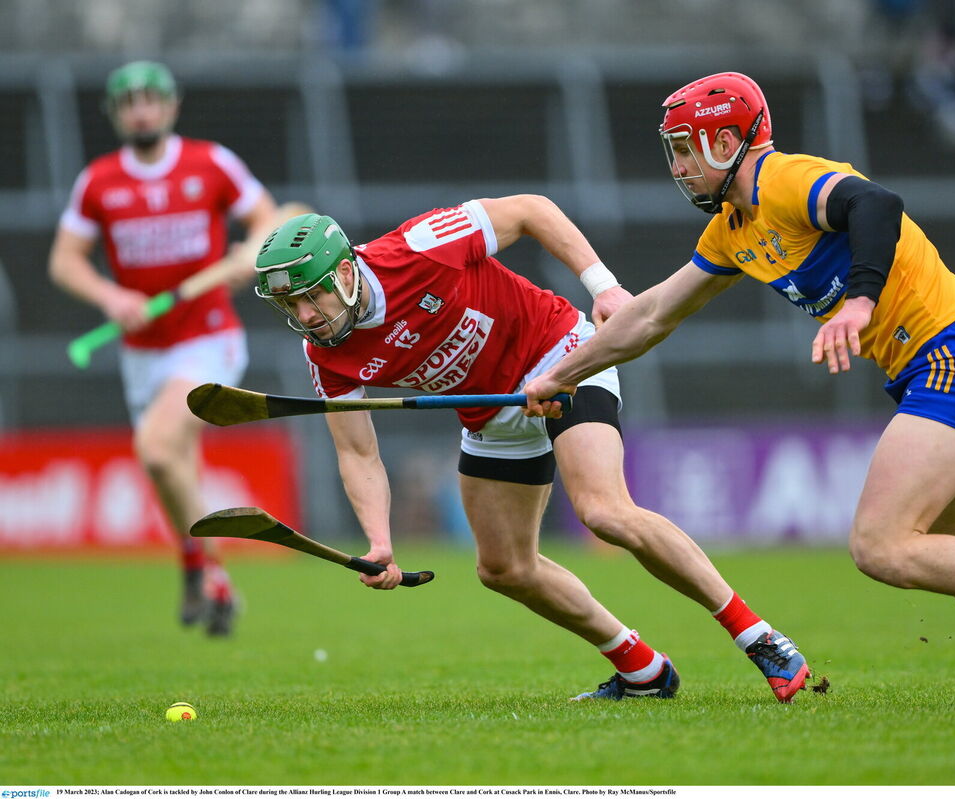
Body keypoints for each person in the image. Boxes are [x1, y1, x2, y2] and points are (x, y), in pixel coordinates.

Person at [523, 72, 955, 704]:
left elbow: (877, 204)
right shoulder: (732, 230)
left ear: (728, 141)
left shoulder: (785, 180)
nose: (679, 165)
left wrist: (860, 302)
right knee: (939, 552)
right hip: (945, 361)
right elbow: (650, 317)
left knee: (880, 546)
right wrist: (559, 375)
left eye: (686, 147)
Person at [252, 200, 812, 703]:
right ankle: (642, 669)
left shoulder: (420, 247)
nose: (305, 316)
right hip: (491, 413)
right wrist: (379, 541)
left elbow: (532, 212)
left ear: (346, 272)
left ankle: (761, 638)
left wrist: (604, 288)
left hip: (559, 356)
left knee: (603, 512)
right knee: (504, 569)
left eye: (311, 297)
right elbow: (358, 453)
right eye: (289, 306)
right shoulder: (325, 355)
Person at [49, 61, 279, 636]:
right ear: (116, 114)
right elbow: (64, 260)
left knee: (154, 449)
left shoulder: (212, 163)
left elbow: (268, 223)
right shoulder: (99, 181)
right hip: (141, 352)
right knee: (173, 466)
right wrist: (109, 295)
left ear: (172, 106)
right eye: (129, 102)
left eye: (152, 98)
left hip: (207, 339)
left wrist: (247, 255)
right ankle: (205, 569)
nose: (142, 110)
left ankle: (202, 566)